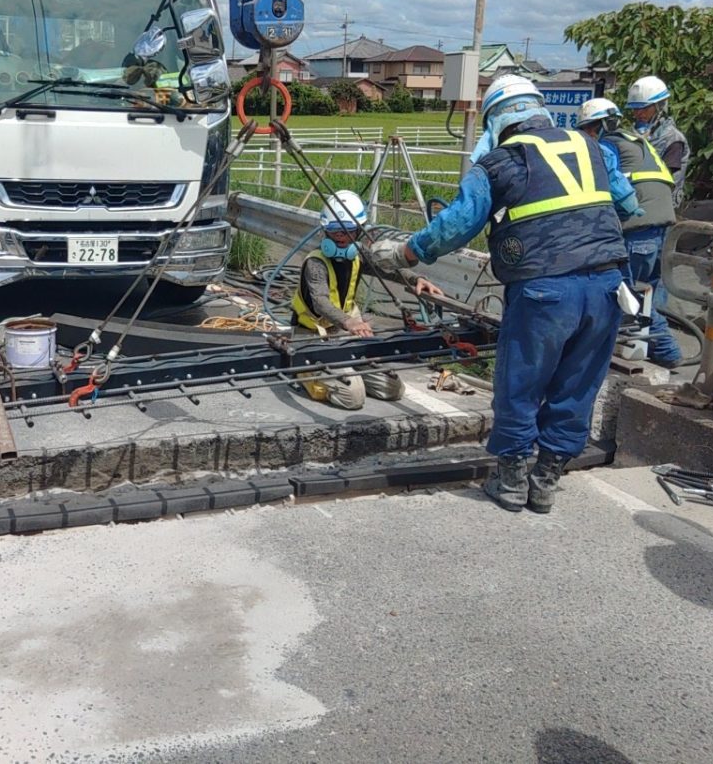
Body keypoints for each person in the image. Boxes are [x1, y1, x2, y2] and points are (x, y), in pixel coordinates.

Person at [369, 74, 628, 514]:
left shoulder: (499, 164)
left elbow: (456, 225)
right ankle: (545, 480)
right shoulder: (595, 148)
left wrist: (405, 254)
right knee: (578, 383)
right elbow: (627, 201)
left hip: (544, 289)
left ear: (497, 121)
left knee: (521, 382)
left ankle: (510, 480)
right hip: (607, 285)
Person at [290, 189, 442, 409]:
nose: (342, 237)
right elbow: (320, 302)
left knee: (392, 388)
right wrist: (350, 322)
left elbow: (386, 268)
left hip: (343, 334)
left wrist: (416, 278)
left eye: (348, 231)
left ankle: (349, 369)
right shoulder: (316, 263)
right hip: (311, 336)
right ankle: (304, 371)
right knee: (353, 397)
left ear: (359, 231)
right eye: (335, 231)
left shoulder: (359, 254)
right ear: (326, 231)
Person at [578, 98, 682, 367]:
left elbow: (613, 191)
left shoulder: (606, 146)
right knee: (648, 290)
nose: (588, 135)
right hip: (662, 223)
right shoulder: (635, 139)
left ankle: (668, 351)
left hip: (638, 225)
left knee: (629, 291)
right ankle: (645, 347)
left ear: (598, 126)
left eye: (589, 129)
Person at [626, 75, 690, 207]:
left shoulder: (672, 139)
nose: (638, 114)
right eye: (635, 109)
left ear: (659, 107)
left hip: (662, 205)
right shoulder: (632, 134)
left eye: (644, 108)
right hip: (637, 201)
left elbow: (664, 176)